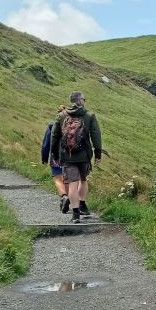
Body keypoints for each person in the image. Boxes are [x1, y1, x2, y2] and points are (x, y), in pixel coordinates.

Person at [51, 91, 102, 223]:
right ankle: (82, 204)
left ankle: (75, 214)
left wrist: (54, 154)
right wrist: (98, 153)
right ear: (82, 100)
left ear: (71, 101)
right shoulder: (89, 115)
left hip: (67, 155)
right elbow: (96, 135)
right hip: (84, 155)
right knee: (83, 180)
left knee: (72, 184)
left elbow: (54, 136)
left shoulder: (61, 115)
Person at [42, 105, 69, 212]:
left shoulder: (51, 125)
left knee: (58, 178)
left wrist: (44, 157)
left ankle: (63, 196)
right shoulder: (74, 126)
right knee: (67, 179)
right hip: (70, 156)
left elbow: (46, 144)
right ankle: (69, 198)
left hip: (56, 156)